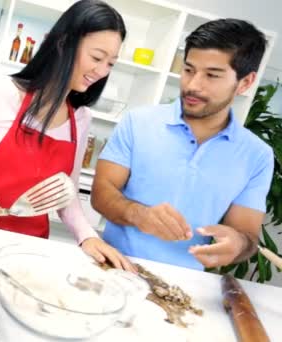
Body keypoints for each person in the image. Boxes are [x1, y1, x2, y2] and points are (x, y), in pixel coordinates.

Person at [0, 0, 135, 271]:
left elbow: (65, 194)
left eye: (111, 63)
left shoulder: (80, 119)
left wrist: (87, 237)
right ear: (64, 43)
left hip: (29, 253)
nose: (102, 71)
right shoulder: (1, 92)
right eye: (96, 58)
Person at [91, 18, 273, 270]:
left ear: (245, 82)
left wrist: (238, 244)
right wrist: (139, 214)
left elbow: (246, 234)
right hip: (114, 265)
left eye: (212, 75)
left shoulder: (258, 155)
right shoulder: (138, 121)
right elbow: (101, 193)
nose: (193, 85)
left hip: (186, 285)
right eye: (189, 70)